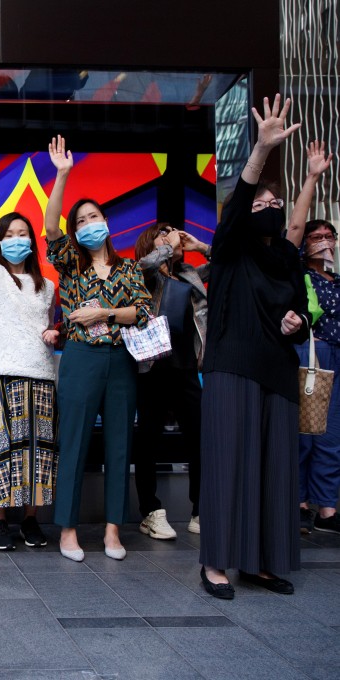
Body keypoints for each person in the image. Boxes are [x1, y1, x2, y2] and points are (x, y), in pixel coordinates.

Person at [199, 95, 308, 599]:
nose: (266, 210)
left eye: (274, 204)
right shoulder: (228, 248)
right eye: (259, 205)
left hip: (278, 371)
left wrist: (297, 322)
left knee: (274, 470)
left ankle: (264, 562)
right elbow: (241, 201)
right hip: (233, 364)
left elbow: (303, 315)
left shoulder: (287, 259)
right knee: (229, 464)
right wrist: (261, 150)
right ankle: (218, 563)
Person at [43, 135, 152, 562]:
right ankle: (67, 529)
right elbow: (51, 228)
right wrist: (63, 174)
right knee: (73, 441)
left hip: (121, 360)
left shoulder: (128, 267)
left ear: (106, 220)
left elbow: (141, 312)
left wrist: (102, 312)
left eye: (94, 216)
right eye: (81, 220)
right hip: (82, 360)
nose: (89, 224)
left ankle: (112, 530)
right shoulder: (72, 263)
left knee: (119, 444)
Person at [0, 156, 60, 550]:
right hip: (0, 372)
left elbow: (48, 326)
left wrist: (53, 333)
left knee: (38, 452)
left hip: (40, 374)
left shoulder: (47, 285)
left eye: (24, 232)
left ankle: (31, 520)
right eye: (9, 233)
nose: (17, 238)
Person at [132, 222, 210, 539]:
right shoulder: (145, 274)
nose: (173, 236)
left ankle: (201, 510)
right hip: (153, 367)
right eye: (163, 232)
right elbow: (143, 264)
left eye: (174, 231)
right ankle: (150, 511)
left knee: (199, 439)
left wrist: (200, 246)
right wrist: (166, 244)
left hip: (187, 367)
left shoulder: (190, 273)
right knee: (149, 440)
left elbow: (230, 262)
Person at [283, 140, 338, 535]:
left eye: (329, 236)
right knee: (306, 430)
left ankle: (328, 508)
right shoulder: (301, 277)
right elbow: (310, 313)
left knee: (331, 433)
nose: (324, 242)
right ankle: (299, 500)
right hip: (309, 354)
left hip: (336, 354)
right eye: (316, 237)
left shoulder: (338, 280)